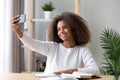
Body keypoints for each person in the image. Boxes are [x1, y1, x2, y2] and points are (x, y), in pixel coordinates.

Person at [10, 12, 100, 75]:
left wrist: (71, 71)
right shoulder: (53, 47)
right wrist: (17, 30)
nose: (61, 32)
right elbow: (32, 44)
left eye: (65, 28)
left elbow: (95, 70)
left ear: (74, 29)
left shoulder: (82, 50)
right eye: (58, 29)